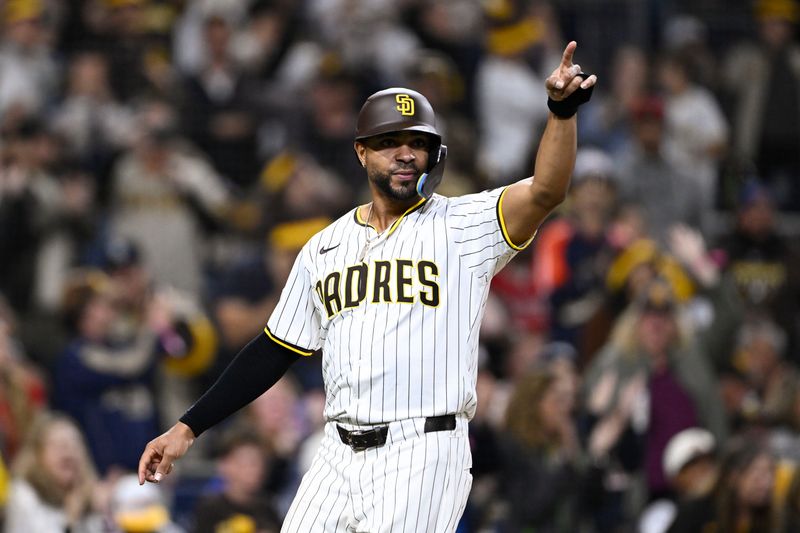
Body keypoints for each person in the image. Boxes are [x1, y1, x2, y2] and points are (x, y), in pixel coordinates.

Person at [139, 41, 596, 532]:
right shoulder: (324, 247)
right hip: (337, 451)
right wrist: (189, 426)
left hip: (423, 449)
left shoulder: (463, 224)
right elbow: (273, 349)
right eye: (388, 141)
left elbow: (547, 190)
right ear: (361, 152)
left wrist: (561, 113)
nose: (405, 153)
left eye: (417, 142)